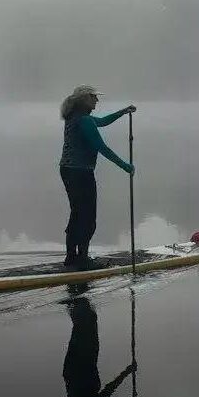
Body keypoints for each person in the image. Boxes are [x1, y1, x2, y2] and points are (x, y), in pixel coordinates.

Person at [59, 85, 136, 269]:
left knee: (77, 214)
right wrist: (125, 166)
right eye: (93, 97)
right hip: (80, 173)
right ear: (84, 99)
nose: (97, 100)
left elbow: (102, 121)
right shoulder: (84, 121)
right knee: (87, 217)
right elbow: (102, 148)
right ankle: (82, 259)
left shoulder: (75, 118)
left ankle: (72, 258)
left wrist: (123, 112)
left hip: (68, 170)